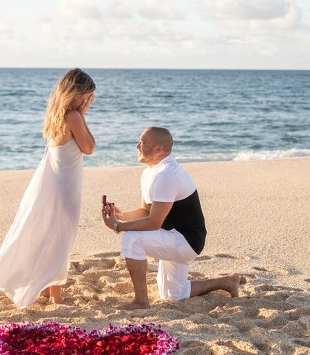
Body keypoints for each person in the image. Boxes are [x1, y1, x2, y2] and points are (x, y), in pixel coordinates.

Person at [0, 68, 96, 307]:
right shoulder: (73, 115)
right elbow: (89, 147)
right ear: (75, 94)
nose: (88, 101)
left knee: (51, 236)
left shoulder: (55, 113)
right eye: (86, 96)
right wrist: (83, 114)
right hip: (65, 186)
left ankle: (45, 287)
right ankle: (56, 296)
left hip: (55, 182)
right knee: (60, 238)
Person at [101, 127, 240, 308]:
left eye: (142, 142)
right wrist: (120, 216)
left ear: (158, 149)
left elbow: (154, 222)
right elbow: (146, 211)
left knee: (131, 238)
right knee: (173, 294)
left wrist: (118, 226)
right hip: (172, 236)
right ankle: (227, 282)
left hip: (186, 241)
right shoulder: (150, 171)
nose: (137, 146)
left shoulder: (167, 174)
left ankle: (141, 301)